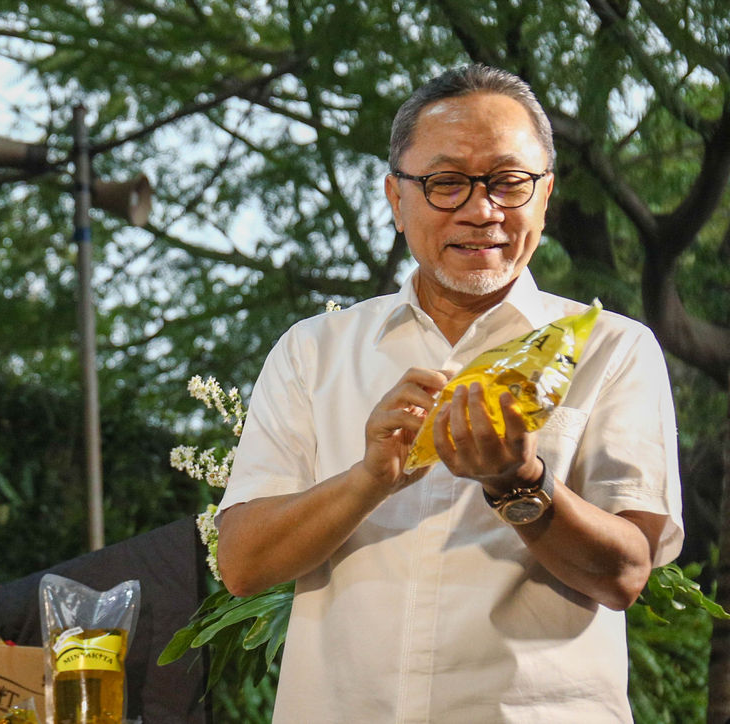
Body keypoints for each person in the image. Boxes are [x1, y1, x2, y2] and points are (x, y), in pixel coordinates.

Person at [216, 64, 683, 723]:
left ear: (544, 195)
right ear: (395, 199)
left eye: (508, 182)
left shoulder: (614, 349)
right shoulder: (312, 351)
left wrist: (521, 481)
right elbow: (242, 564)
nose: (481, 209)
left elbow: (625, 574)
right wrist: (370, 478)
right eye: (445, 183)